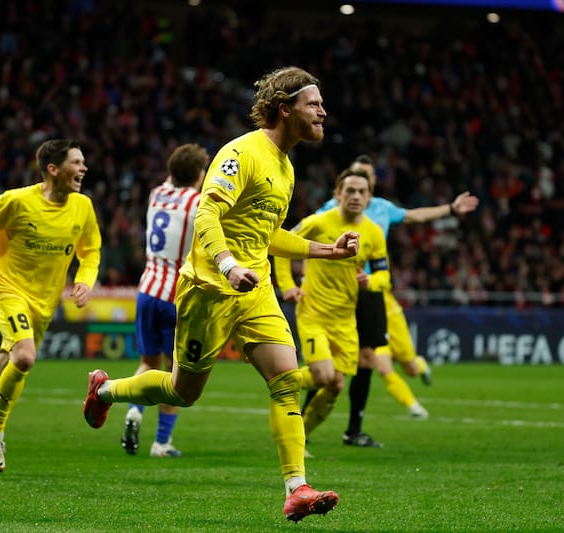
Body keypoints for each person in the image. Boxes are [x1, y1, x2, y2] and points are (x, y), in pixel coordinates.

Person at [83, 66, 358, 523]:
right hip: (211, 288)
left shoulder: (287, 167)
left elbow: (268, 234)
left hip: (256, 289)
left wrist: (324, 250)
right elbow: (207, 214)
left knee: (287, 381)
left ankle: (296, 488)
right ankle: (105, 390)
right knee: (182, 391)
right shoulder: (242, 152)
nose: (323, 111)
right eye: (314, 104)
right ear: (284, 108)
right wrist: (228, 265)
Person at [0, 139, 102, 474]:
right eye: (76, 162)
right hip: (6, 289)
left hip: (43, 303)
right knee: (25, 356)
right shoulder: (16, 201)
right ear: (53, 169)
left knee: (0, 377)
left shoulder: (83, 207)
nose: (83, 168)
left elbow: (90, 251)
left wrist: (85, 281)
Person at [311, 155, 480, 447]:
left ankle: (354, 430)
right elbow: (307, 240)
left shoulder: (382, 209)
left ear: (372, 184)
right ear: (343, 185)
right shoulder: (331, 210)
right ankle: (303, 420)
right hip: (337, 291)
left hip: (372, 291)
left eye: (367, 177)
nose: (361, 183)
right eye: (355, 177)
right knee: (329, 364)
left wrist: (451, 208)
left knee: (367, 359)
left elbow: (416, 215)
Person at [273, 168, 389, 450]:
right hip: (313, 313)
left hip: (346, 321)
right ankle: (279, 381)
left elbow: (386, 276)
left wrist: (370, 280)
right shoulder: (317, 222)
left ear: (370, 197)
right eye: (350, 190)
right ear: (337, 194)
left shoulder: (373, 233)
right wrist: (288, 285)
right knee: (324, 376)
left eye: (362, 192)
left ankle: (299, 437)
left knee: (336, 385)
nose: (356, 196)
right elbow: (281, 244)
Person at [121, 143, 208, 458]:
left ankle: (134, 411)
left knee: (148, 362)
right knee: (175, 373)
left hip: (147, 290)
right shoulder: (199, 203)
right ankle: (161, 442)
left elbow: (174, 180)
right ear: (199, 175)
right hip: (177, 296)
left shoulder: (156, 194)